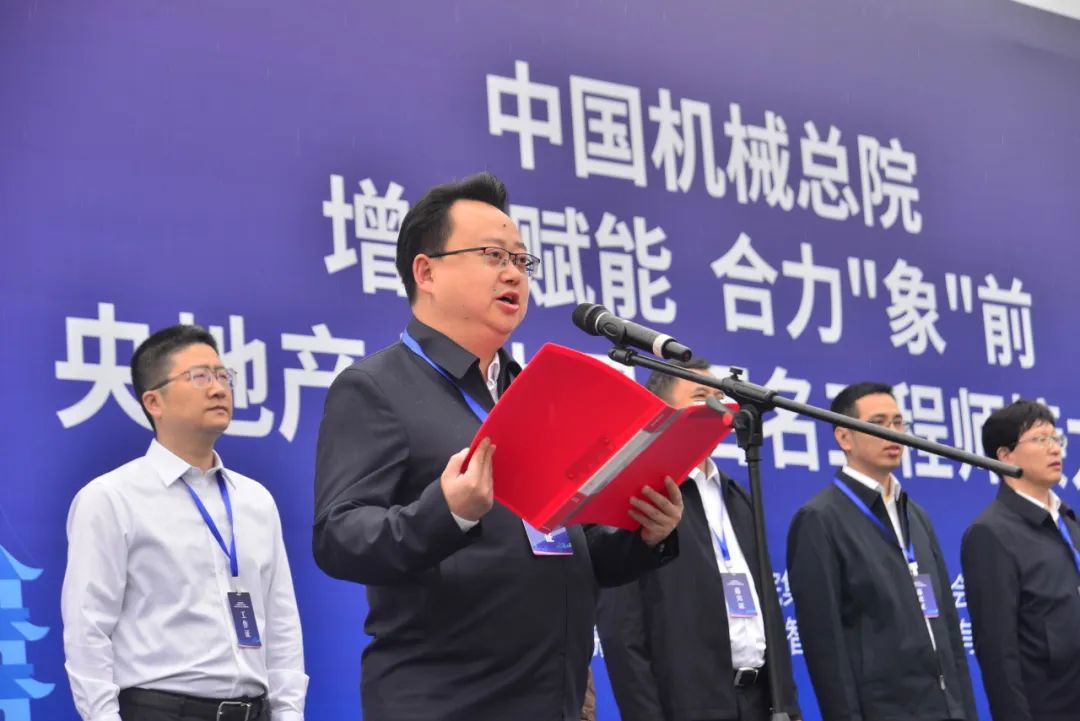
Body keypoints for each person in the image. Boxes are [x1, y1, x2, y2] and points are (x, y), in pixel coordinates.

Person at [312, 171, 683, 721]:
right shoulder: (376, 388)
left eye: (521, 260)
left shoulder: (536, 392)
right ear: (426, 271)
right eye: (493, 255)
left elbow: (569, 543)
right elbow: (339, 537)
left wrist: (644, 535)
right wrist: (448, 513)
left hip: (555, 699)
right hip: (446, 703)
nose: (513, 273)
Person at [61, 325, 307, 721]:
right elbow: (87, 628)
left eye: (223, 375)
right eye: (200, 377)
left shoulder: (255, 500)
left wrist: (289, 713)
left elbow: (282, 622)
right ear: (154, 401)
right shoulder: (111, 498)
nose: (219, 388)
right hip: (160, 710)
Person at [596, 358, 801, 721]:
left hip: (760, 703)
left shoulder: (736, 494)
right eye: (700, 396)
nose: (716, 406)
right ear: (661, 410)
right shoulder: (642, 495)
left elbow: (768, 611)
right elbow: (621, 631)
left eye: (720, 397)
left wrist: (789, 707)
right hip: (687, 705)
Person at [786, 382, 976, 721]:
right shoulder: (820, 519)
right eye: (878, 423)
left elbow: (948, 625)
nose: (893, 433)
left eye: (898, 422)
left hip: (946, 707)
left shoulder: (915, 513)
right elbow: (825, 645)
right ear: (844, 437)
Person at [961, 400, 1080, 721]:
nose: (1054, 449)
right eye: (1040, 439)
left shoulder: (1069, 521)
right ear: (1005, 455)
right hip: (1048, 706)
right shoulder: (990, 533)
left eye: (1056, 438)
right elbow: (998, 652)